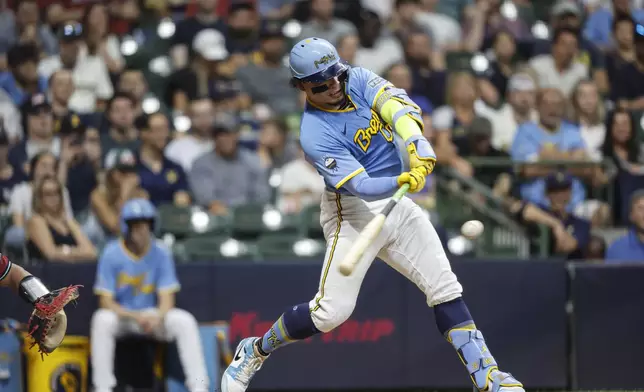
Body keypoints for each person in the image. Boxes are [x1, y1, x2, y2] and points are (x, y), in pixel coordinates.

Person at [221, 37, 524, 392]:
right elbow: (362, 185)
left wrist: (415, 142)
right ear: (302, 86)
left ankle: (487, 376)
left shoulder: (356, 78)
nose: (334, 85)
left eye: (334, 75)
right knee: (330, 314)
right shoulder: (314, 132)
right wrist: (403, 178)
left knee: (445, 289)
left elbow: (398, 107)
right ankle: (255, 350)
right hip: (352, 213)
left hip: (399, 205)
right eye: (322, 82)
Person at [90, 198, 209, 392]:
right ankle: (103, 387)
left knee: (184, 321)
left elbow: (167, 299)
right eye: (136, 225)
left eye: (145, 225)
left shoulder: (161, 251)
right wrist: (136, 316)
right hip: (125, 317)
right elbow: (105, 301)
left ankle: (199, 387)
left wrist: (157, 317)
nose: (141, 230)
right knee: (102, 320)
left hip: (152, 316)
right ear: (126, 227)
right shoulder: (111, 253)